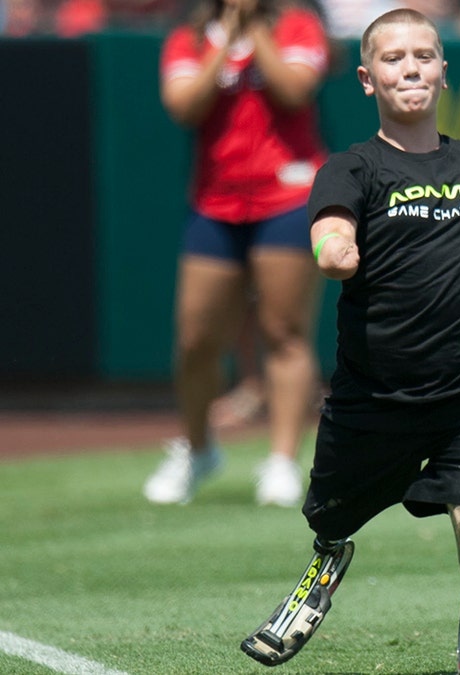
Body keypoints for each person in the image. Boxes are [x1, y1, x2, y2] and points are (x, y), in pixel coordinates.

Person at [239, 9, 460, 674]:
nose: (411, 68)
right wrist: (333, 247)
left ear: (443, 73)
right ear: (367, 78)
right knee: (331, 514)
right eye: (394, 58)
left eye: (424, 56)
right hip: (378, 398)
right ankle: (328, 559)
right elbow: (329, 230)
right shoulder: (353, 168)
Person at [142, 0, 331, 507]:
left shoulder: (298, 25)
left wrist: (255, 31)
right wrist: (225, 41)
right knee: (196, 337)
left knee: (284, 331)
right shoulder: (189, 36)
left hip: (287, 197)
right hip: (216, 202)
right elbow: (184, 105)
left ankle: (282, 459)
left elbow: (295, 91)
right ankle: (198, 449)